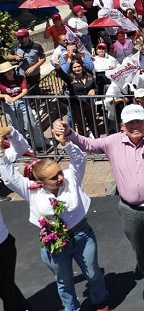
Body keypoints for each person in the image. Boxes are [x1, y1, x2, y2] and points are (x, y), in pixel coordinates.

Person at [53, 105, 144, 302]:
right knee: (140, 248)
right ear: (122, 126)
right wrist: (69, 133)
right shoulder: (112, 142)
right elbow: (88, 144)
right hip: (129, 210)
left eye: (139, 121)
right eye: (130, 123)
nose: (135, 126)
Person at [0, 125, 109, 311]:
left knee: (93, 273)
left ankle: (100, 301)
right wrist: (1, 155)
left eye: (59, 172)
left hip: (82, 235)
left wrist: (66, 143)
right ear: (40, 182)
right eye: (53, 177)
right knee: (64, 281)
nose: (60, 178)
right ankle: (71, 308)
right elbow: (9, 178)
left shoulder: (70, 178)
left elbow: (79, 161)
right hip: (54, 242)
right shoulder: (30, 190)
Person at [0, 126, 33, 311]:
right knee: (7, 288)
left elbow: (20, 148)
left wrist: (11, 131)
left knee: (6, 288)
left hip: (2, 242)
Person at [6, 27, 46, 93]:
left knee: (35, 91)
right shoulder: (16, 46)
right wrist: (15, 57)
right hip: (20, 75)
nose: (20, 39)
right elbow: (8, 56)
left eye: (22, 37)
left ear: (27, 37)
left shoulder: (36, 46)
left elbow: (43, 58)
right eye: (18, 37)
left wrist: (33, 67)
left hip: (33, 74)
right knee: (23, 92)